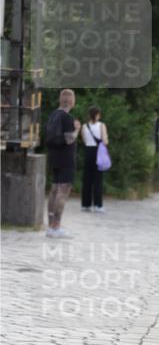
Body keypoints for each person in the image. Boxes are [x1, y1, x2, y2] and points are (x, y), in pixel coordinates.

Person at [45, 88, 80, 238]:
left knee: (54, 191)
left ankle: (50, 225)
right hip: (66, 159)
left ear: (60, 100)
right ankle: (56, 226)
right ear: (72, 101)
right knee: (63, 191)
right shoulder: (67, 118)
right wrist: (77, 129)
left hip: (54, 158)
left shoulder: (53, 115)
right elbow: (69, 139)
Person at [81, 106, 109, 212]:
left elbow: (84, 140)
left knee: (87, 179)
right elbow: (105, 141)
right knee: (98, 179)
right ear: (97, 115)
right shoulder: (102, 125)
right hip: (98, 153)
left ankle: (85, 204)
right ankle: (98, 205)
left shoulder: (85, 126)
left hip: (88, 152)